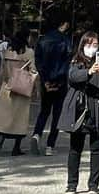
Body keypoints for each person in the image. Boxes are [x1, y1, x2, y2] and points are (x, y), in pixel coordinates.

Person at [57, 30, 99, 194]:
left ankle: (93, 185)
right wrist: (89, 72)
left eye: (95, 45)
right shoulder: (76, 61)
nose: (92, 48)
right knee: (75, 148)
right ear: (82, 45)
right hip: (79, 109)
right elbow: (72, 76)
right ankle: (71, 184)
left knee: (97, 148)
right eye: (89, 44)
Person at [0, 29, 37, 156]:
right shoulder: (29, 52)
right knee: (20, 119)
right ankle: (16, 147)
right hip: (21, 89)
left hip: (7, 87)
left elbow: (2, 70)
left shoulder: (8, 51)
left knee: (2, 118)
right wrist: (34, 87)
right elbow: (33, 70)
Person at [30, 15, 72, 154]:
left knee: (44, 110)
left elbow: (38, 61)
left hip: (46, 81)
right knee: (57, 113)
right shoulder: (65, 40)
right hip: (60, 82)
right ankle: (50, 145)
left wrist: (45, 79)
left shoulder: (43, 39)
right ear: (64, 24)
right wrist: (60, 79)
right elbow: (67, 62)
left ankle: (37, 134)